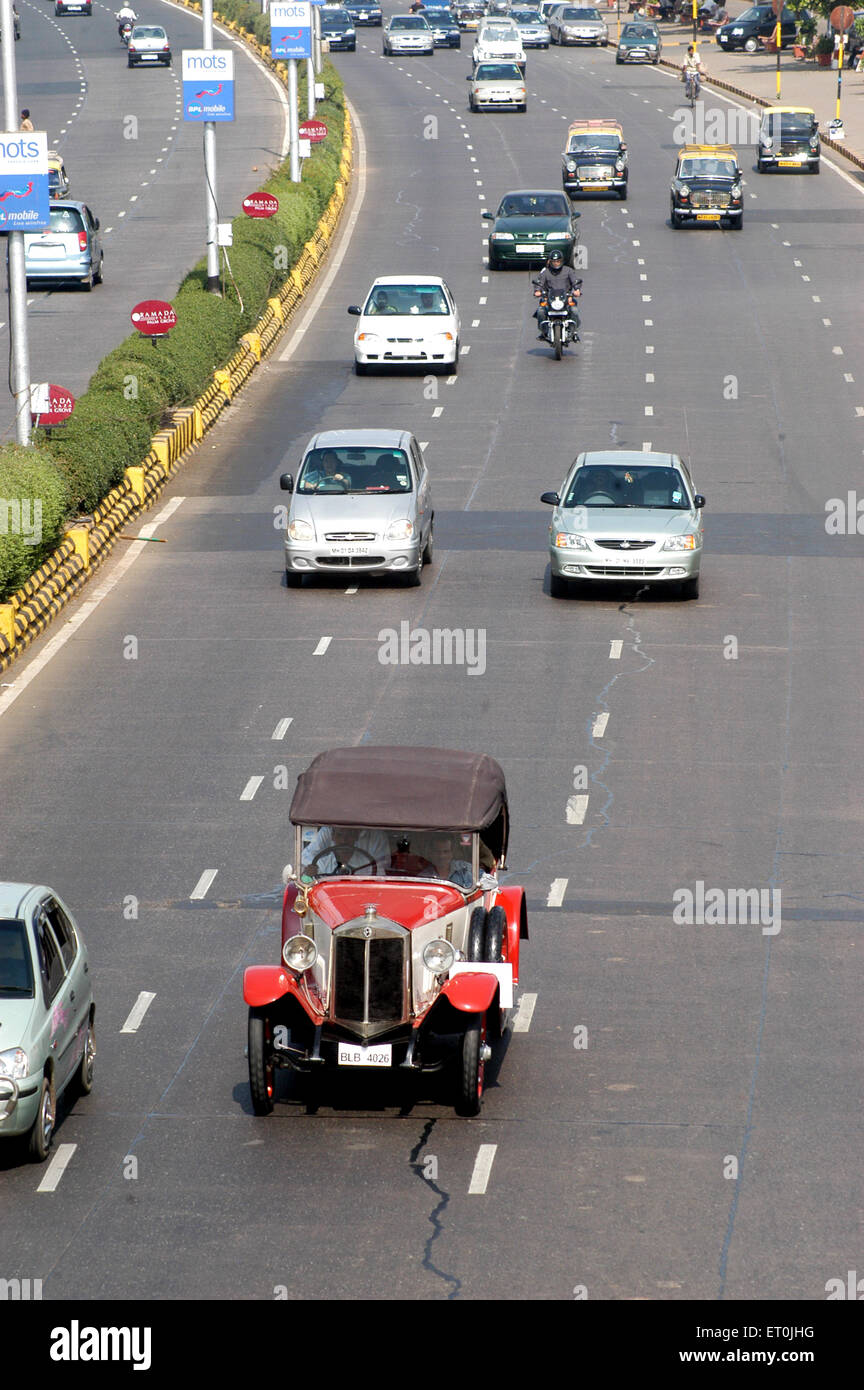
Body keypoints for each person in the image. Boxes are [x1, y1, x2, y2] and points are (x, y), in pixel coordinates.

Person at [301, 825, 390, 877]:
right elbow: (307, 883)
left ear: (356, 837)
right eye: (339, 835)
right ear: (332, 837)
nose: (344, 840)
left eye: (349, 835)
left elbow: (381, 881)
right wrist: (310, 872)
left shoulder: (369, 865)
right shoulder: (321, 865)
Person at [533, 250, 581, 340]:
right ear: (550, 262)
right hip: (549, 299)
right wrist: (537, 291)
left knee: (574, 310)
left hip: (566, 299)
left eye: (558, 261)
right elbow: (539, 283)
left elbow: (575, 281)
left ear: (562, 261)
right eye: (554, 261)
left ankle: (573, 331)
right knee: (540, 311)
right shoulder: (545, 272)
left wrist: (577, 290)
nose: (556, 263)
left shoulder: (568, 270)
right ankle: (544, 331)